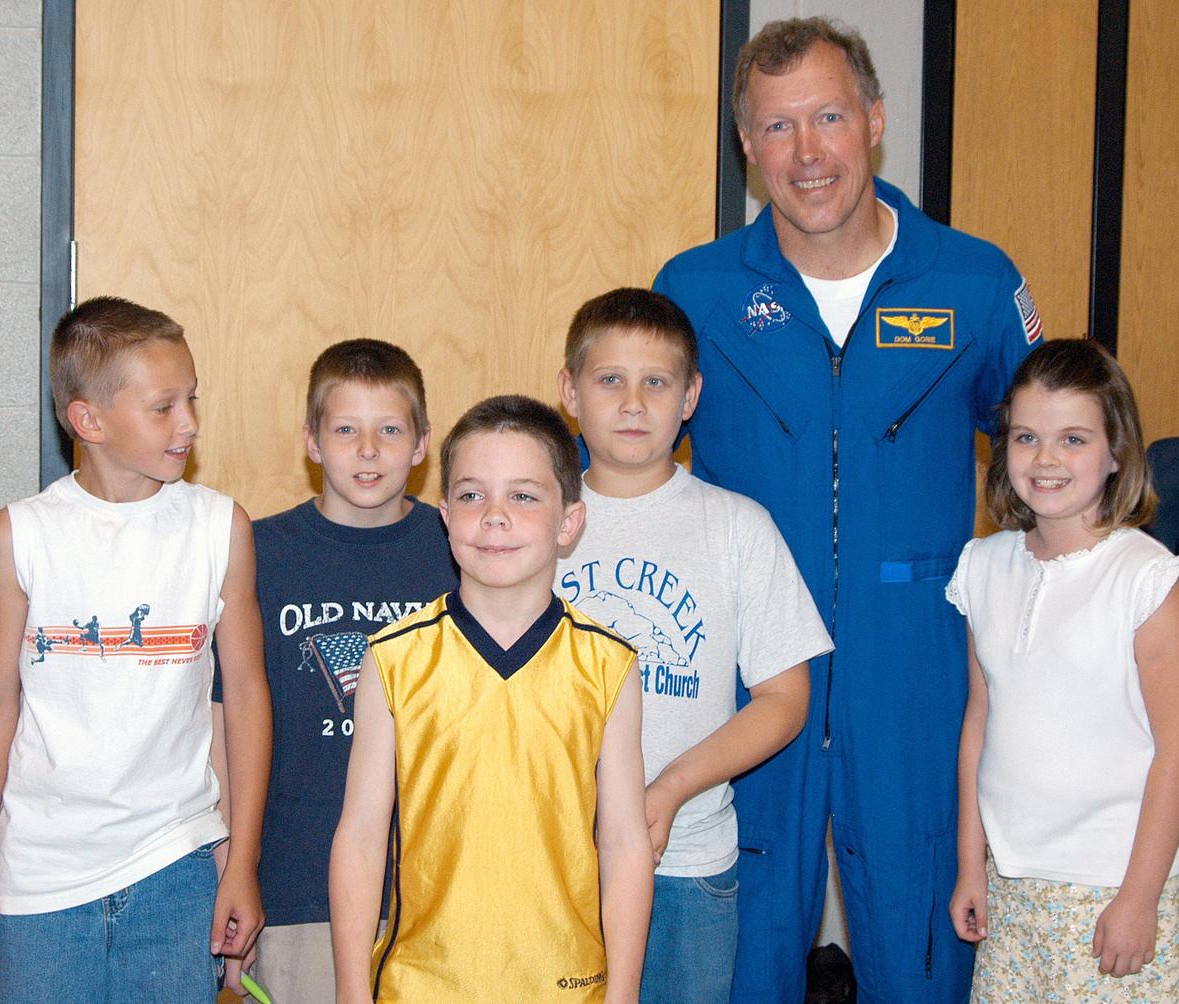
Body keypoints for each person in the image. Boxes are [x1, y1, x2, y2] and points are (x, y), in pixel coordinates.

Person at [652, 17, 1042, 1002]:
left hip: (917, 666)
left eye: (827, 116)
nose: (807, 152)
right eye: (777, 128)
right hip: (743, 671)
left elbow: (1054, 456)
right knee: (738, 954)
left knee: (925, 951)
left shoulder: (973, 281)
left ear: (873, 119)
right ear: (747, 148)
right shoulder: (692, 291)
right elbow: (611, 467)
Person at [0, 297, 272, 1001]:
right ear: (88, 420)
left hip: (176, 869)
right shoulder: (20, 537)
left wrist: (241, 859)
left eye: (192, 400)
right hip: (37, 879)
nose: (189, 422)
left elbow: (245, 694)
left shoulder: (219, 529)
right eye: (163, 407)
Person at [555, 288, 833, 1003]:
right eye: (609, 379)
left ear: (691, 397)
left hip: (687, 861)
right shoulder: (532, 521)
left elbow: (785, 698)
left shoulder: (737, 527)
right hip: (548, 860)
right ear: (570, 391)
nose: (633, 403)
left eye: (657, 382)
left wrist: (672, 788)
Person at [329, 395, 654, 1003]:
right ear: (446, 514)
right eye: (473, 496)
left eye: (524, 496)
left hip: (568, 984)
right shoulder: (394, 657)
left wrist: (624, 991)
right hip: (421, 986)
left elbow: (624, 841)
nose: (495, 517)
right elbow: (362, 835)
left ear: (569, 523)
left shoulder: (609, 664)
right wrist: (352, 988)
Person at [947, 338, 1179, 1001]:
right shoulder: (984, 566)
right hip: (1012, 885)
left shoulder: (1148, 579)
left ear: (1116, 451)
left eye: (1074, 440)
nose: (1047, 459)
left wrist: (1140, 898)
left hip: (1113, 890)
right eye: (1028, 437)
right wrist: (970, 864)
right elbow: (980, 721)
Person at [211, 339, 457, 1002]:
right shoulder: (260, 552)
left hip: (436, 888)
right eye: (345, 429)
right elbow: (223, 720)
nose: (368, 450)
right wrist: (232, 868)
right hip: (296, 887)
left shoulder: (459, 549)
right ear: (312, 442)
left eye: (389, 430)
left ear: (421, 443)